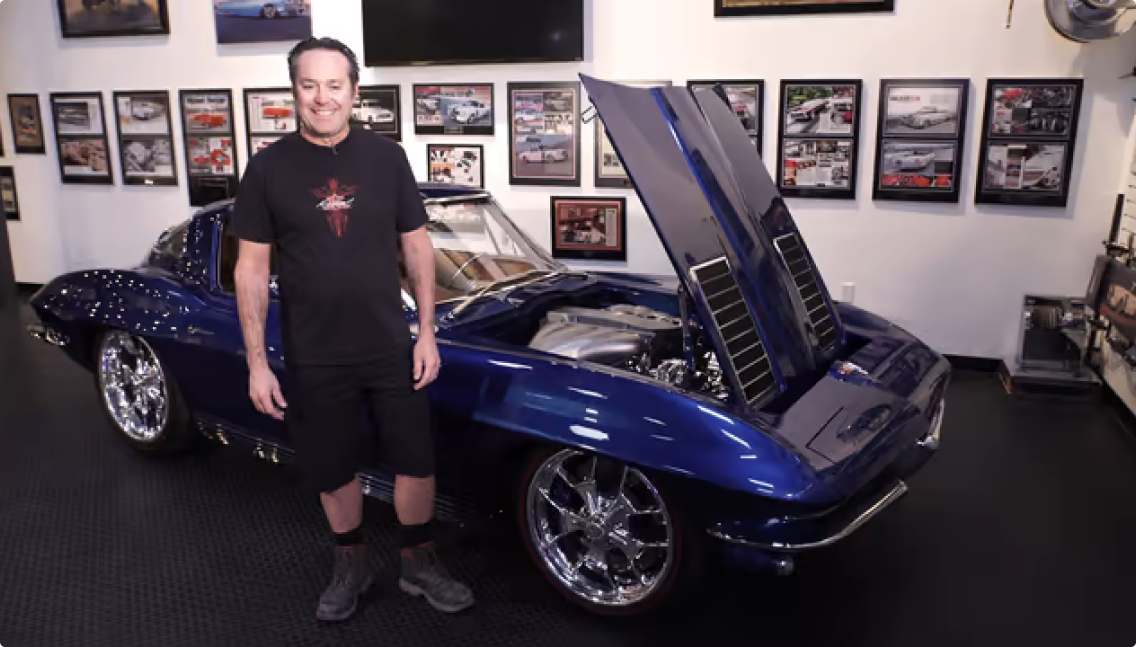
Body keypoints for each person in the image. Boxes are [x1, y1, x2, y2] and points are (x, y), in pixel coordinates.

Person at [229, 36, 474, 621]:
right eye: (309, 85)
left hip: (391, 344)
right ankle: (351, 566)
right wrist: (257, 362)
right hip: (314, 353)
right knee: (332, 465)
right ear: (294, 91)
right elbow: (251, 269)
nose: (322, 98)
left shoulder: (386, 157)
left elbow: (416, 245)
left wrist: (427, 332)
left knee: (416, 459)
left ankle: (419, 565)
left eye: (333, 85)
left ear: (354, 91)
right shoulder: (266, 169)